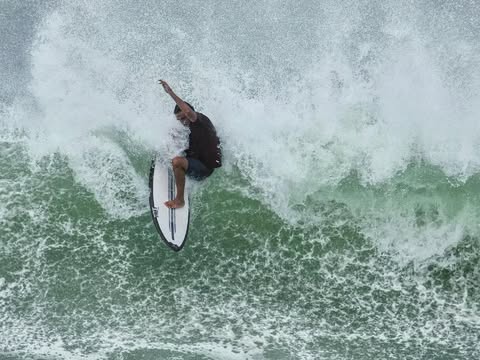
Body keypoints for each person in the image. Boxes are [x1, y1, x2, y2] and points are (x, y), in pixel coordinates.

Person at [158, 80, 222, 209]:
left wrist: (170, 92)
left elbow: (188, 113)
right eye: (179, 119)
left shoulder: (199, 120)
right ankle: (179, 170)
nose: (183, 121)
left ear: (192, 112)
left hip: (205, 169)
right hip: (196, 158)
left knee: (177, 162)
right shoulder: (189, 125)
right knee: (172, 137)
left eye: (184, 117)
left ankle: (179, 200)